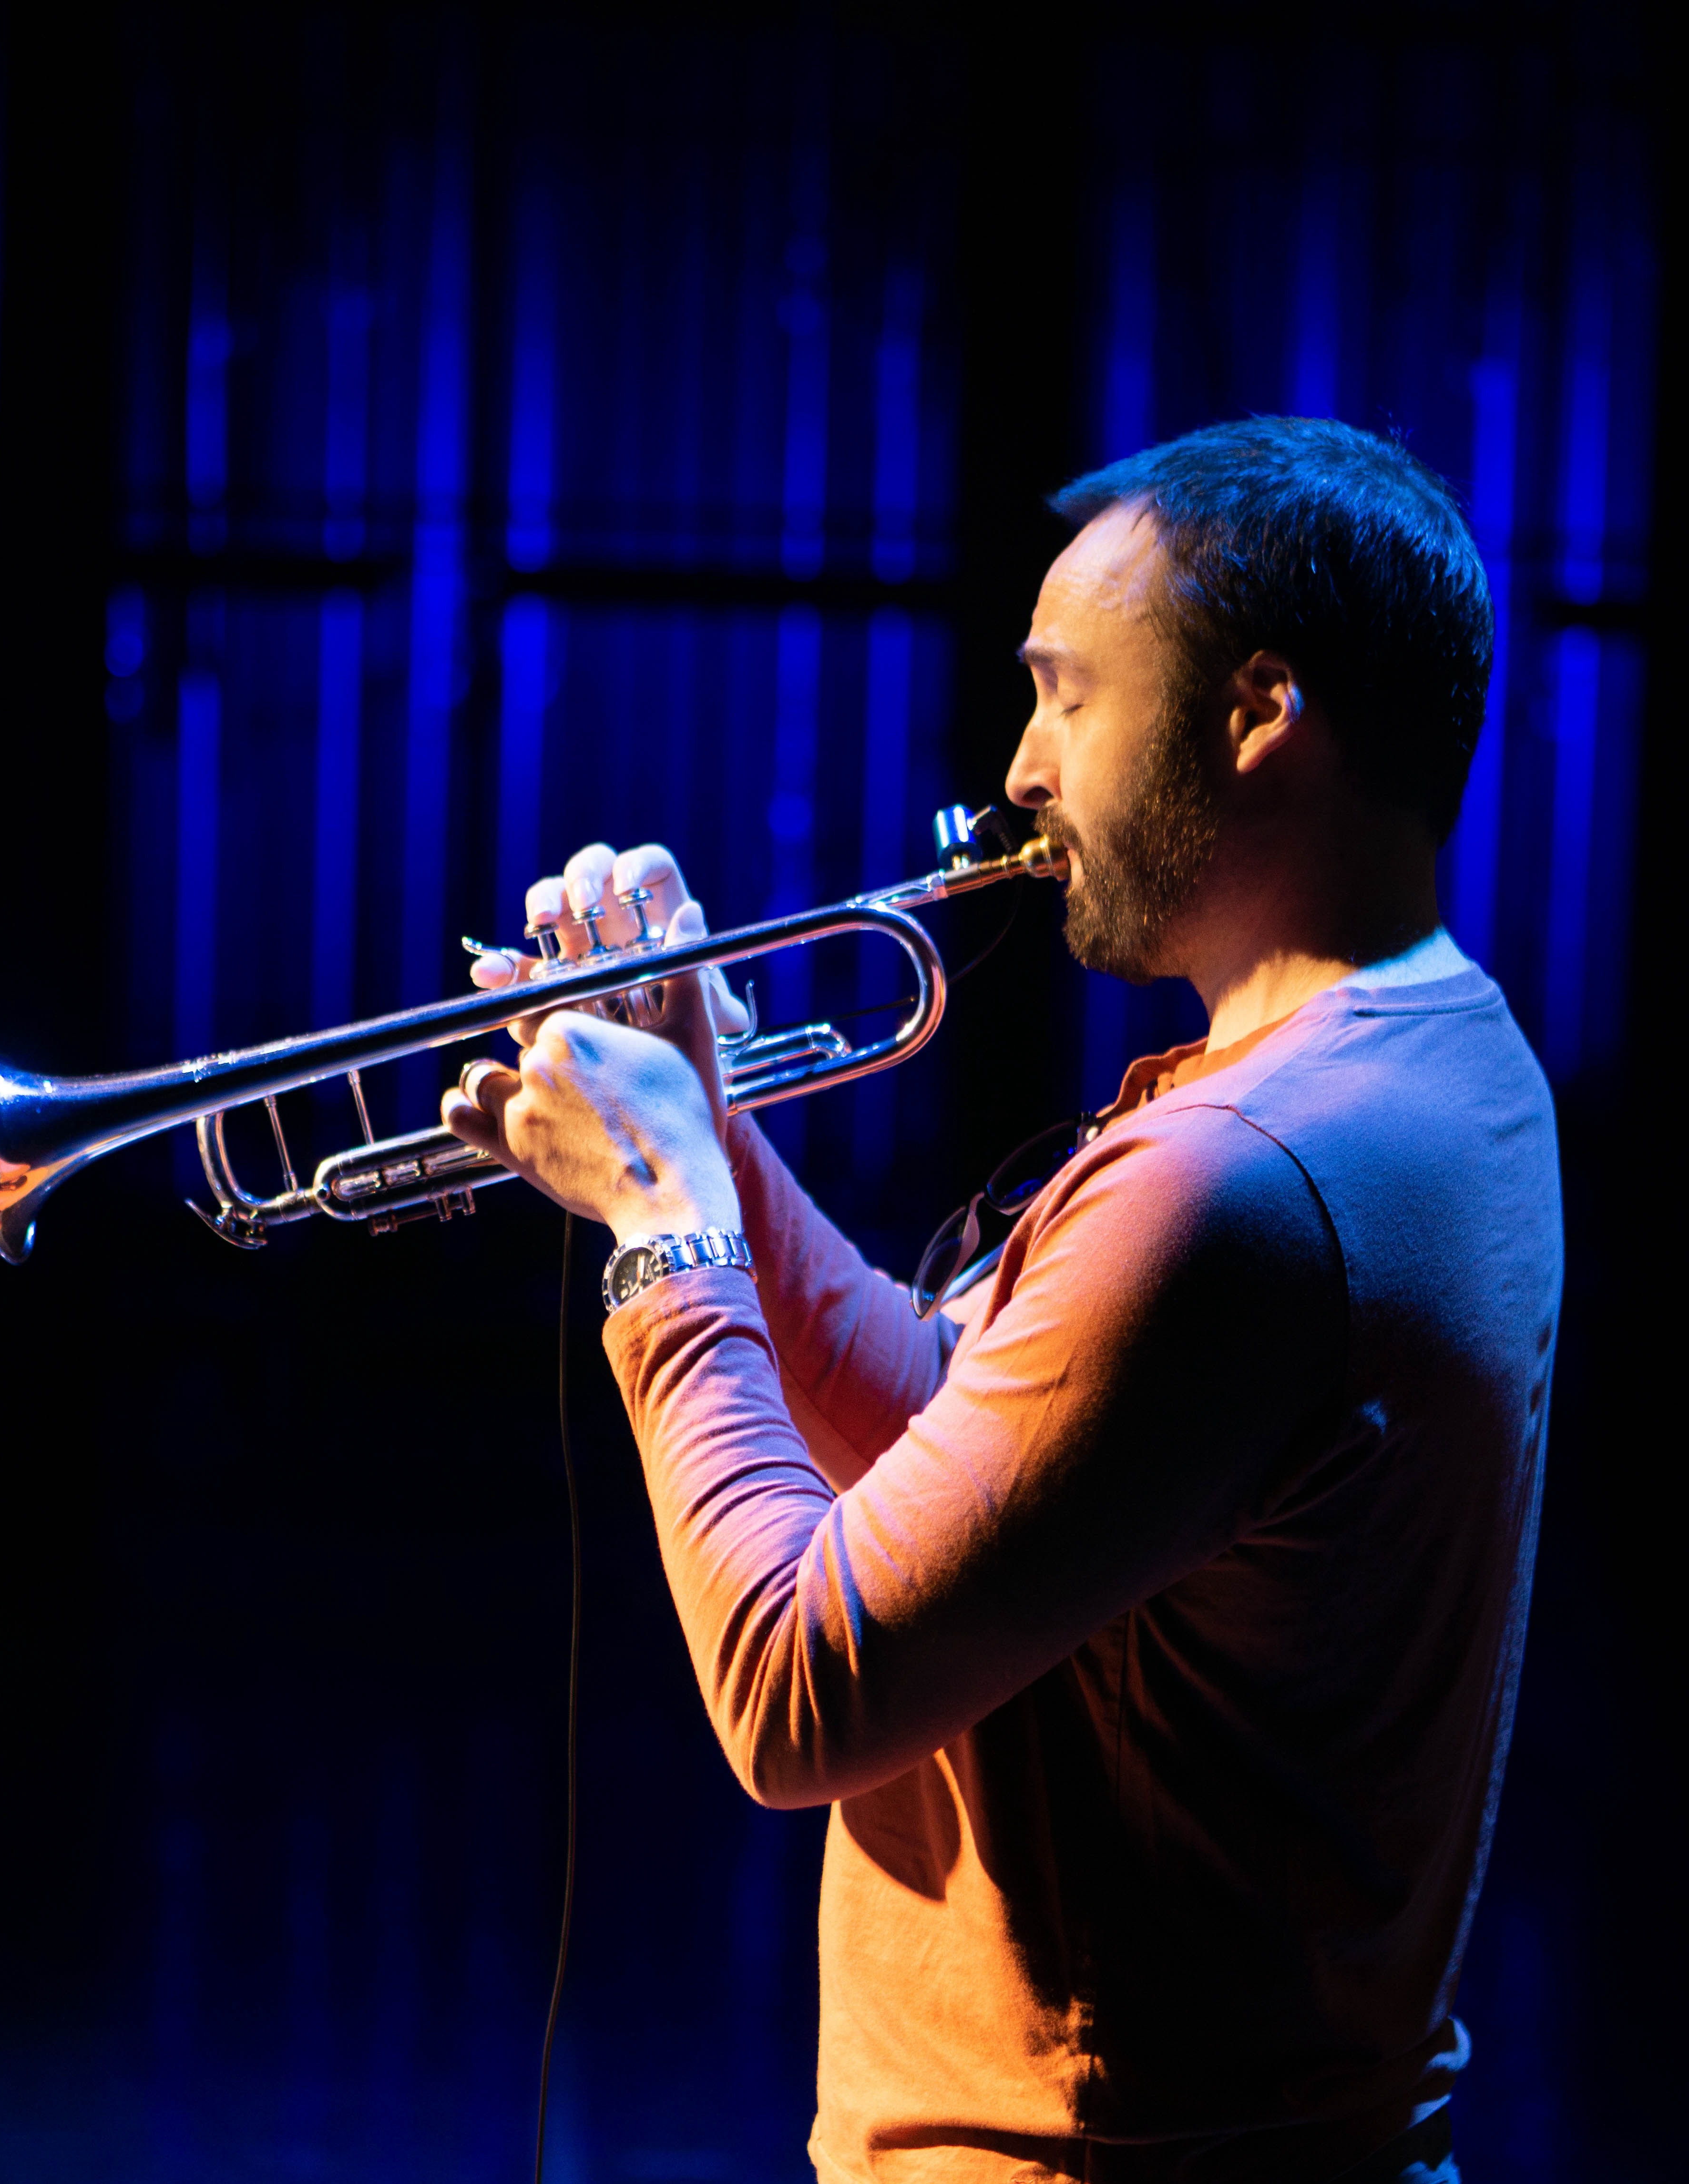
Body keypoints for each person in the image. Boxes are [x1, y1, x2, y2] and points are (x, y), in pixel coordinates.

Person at [442, 418, 1561, 2184]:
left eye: (1066, 698)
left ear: (1259, 711)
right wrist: (709, 1129)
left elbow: (796, 1692)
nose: (1020, 773)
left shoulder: (1235, 1180)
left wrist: (668, 1234)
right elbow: (971, 1460)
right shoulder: (1454, 1057)